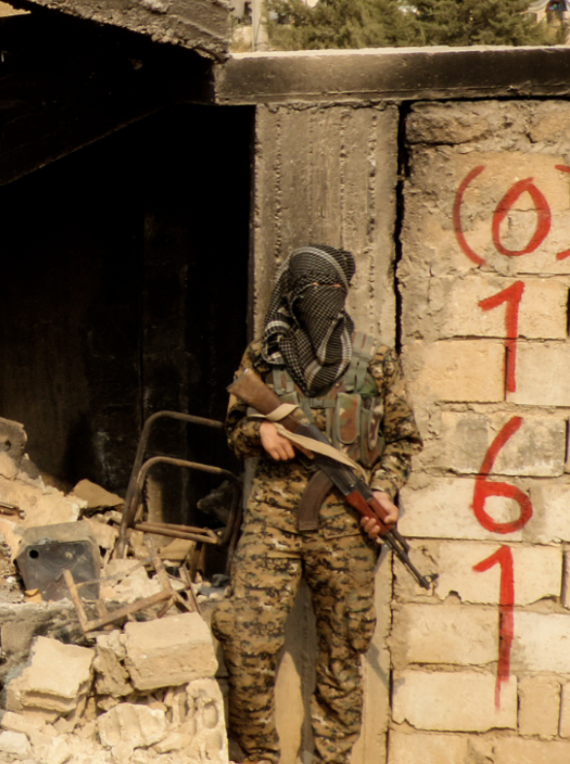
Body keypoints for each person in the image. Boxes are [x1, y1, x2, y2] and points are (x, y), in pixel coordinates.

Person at [213, 245, 422, 764]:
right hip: (272, 520)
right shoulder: (264, 357)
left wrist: (385, 490)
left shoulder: (373, 360)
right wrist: (259, 431)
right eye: (312, 294)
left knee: (344, 650)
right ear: (293, 296)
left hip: (348, 524)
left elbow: (403, 441)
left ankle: (331, 757)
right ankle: (258, 755)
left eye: (332, 293)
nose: (323, 304)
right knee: (246, 641)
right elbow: (232, 428)